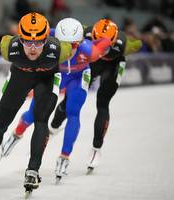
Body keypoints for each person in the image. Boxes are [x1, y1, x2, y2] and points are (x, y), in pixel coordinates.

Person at [0, 18, 112, 181]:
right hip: (58, 73)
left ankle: (65, 156)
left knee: (73, 111)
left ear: (80, 41)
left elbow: (103, 44)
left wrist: (109, 38)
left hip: (78, 77)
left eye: (74, 45)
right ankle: (17, 133)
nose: (70, 49)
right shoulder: (50, 36)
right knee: (34, 113)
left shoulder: (88, 50)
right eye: (65, 44)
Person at [0, 12, 73, 192]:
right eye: (27, 41)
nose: (33, 48)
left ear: (47, 39)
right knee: (2, 121)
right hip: (20, 77)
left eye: (39, 42)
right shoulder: (8, 48)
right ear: (19, 39)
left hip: (47, 78)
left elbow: (80, 37)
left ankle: (33, 170)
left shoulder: (61, 49)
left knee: (41, 119)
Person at [50, 19, 142, 173]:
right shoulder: (86, 33)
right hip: (93, 62)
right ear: (92, 34)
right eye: (96, 39)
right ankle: (53, 126)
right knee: (71, 98)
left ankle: (96, 148)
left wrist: (138, 42)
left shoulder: (121, 43)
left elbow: (135, 45)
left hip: (114, 65)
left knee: (103, 102)